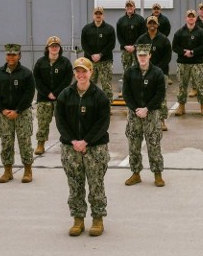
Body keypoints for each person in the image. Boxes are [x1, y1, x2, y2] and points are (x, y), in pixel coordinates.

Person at [55, 57, 111, 237]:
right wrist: (73, 141)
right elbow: (60, 121)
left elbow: (102, 123)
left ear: (91, 73)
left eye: (84, 71)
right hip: (71, 148)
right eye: (77, 71)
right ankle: (78, 219)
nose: (81, 75)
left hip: (94, 148)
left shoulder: (99, 96)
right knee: (75, 185)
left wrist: (86, 141)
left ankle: (97, 219)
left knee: (96, 184)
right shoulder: (65, 95)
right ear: (74, 73)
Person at [0, 43, 36, 184]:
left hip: (22, 114)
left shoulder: (26, 73)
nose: (11, 57)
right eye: (8, 54)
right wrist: (2, 109)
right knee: (6, 142)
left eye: (14, 54)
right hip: (4, 114)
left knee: (24, 142)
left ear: (19, 56)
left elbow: (29, 94)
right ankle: (7, 171)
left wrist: (18, 110)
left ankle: (28, 170)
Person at [122, 44, 167, 188]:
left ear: (149, 56)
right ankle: (136, 173)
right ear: (136, 56)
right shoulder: (130, 72)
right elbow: (126, 94)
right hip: (134, 114)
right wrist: (136, 109)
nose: (142, 57)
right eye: (139, 55)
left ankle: (157, 174)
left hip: (152, 113)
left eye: (144, 55)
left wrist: (147, 108)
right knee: (133, 144)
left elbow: (160, 94)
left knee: (154, 144)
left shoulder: (157, 73)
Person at [33, 36, 73, 155]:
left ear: (59, 48)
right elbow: (36, 79)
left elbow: (67, 80)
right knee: (42, 122)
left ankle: (67, 143)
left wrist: (55, 93)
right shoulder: (41, 62)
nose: (54, 48)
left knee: (63, 122)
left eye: (56, 46)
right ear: (48, 48)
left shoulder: (65, 62)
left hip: (60, 98)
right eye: (52, 46)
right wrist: (47, 93)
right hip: (43, 98)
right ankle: (40, 144)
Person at [135, 15, 173, 131]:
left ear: (157, 25)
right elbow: (138, 56)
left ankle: (161, 121)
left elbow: (167, 57)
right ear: (147, 25)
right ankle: (144, 119)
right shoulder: (141, 39)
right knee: (144, 96)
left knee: (161, 97)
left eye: (154, 23)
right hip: (144, 73)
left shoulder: (164, 39)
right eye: (150, 23)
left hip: (161, 73)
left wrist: (156, 70)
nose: (152, 25)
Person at [172, 10, 203, 116]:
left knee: (200, 85)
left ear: (195, 18)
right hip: (183, 63)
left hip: (197, 63)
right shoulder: (179, 32)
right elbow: (174, 47)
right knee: (182, 85)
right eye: (189, 16)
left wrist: (193, 52)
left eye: (193, 16)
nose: (191, 18)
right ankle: (181, 106)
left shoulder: (201, 32)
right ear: (186, 18)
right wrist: (184, 52)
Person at [80, 6, 116, 101]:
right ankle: (89, 104)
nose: (98, 16)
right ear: (93, 16)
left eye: (100, 14)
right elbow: (84, 44)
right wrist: (91, 54)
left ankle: (107, 107)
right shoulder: (86, 29)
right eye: (96, 14)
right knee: (89, 84)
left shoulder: (110, 29)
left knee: (106, 85)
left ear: (103, 16)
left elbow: (111, 44)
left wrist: (100, 55)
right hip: (89, 62)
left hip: (105, 61)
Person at [116, 0, 145, 74]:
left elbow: (143, 35)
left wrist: (135, 46)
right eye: (127, 6)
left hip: (138, 49)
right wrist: (125, 46)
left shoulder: (140, 20)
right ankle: (127, 84)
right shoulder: (121, 21)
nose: (129, 8)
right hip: (125, 50)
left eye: (131, 6)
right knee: (127, 70)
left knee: (139, 69)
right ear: (125, 8)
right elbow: (119, 36)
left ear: (134, 7)